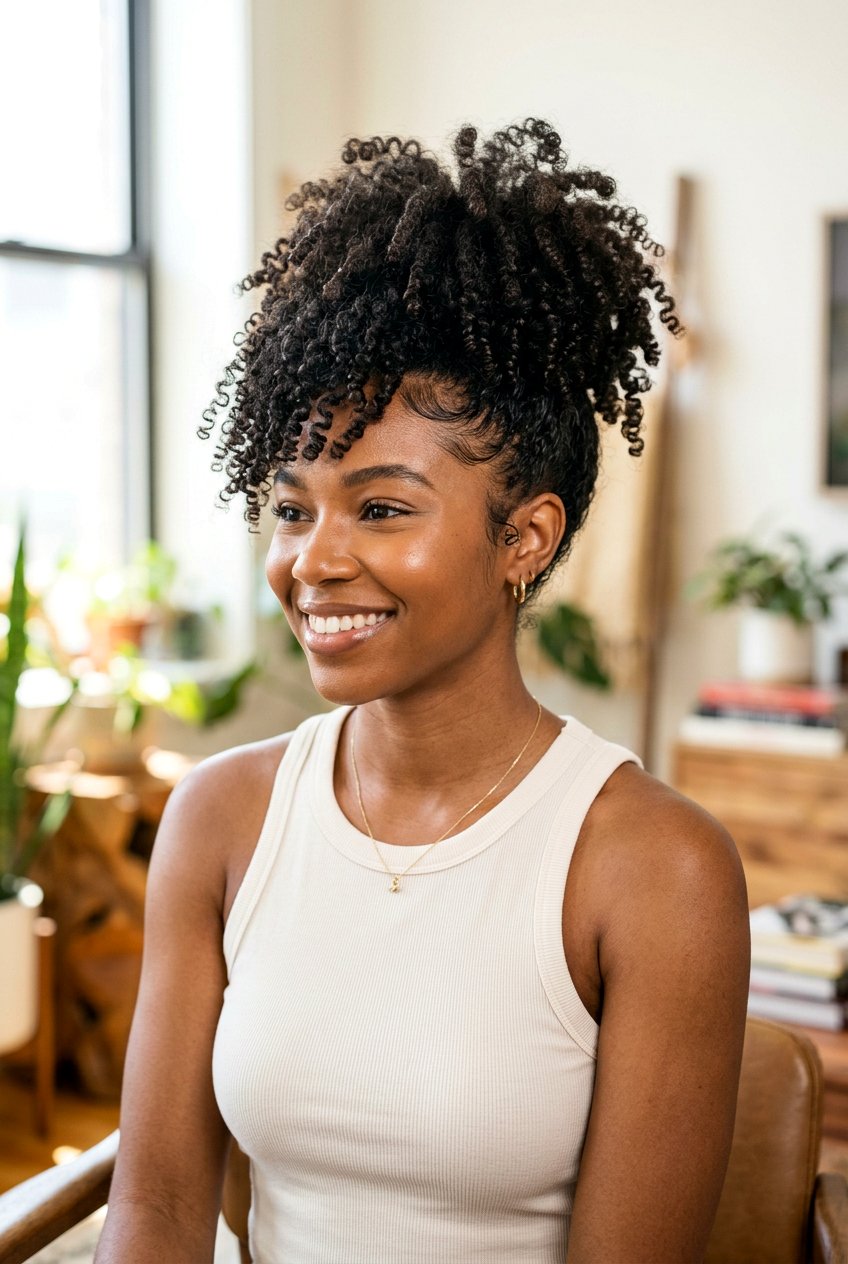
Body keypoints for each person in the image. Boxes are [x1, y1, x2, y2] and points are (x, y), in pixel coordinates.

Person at [94, 119, 750, 1263]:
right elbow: (151, 1218)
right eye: (293, 507)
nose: (313, 560)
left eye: (382, 508)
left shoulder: (655, 869)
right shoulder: (220, 820)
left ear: (524, 537)